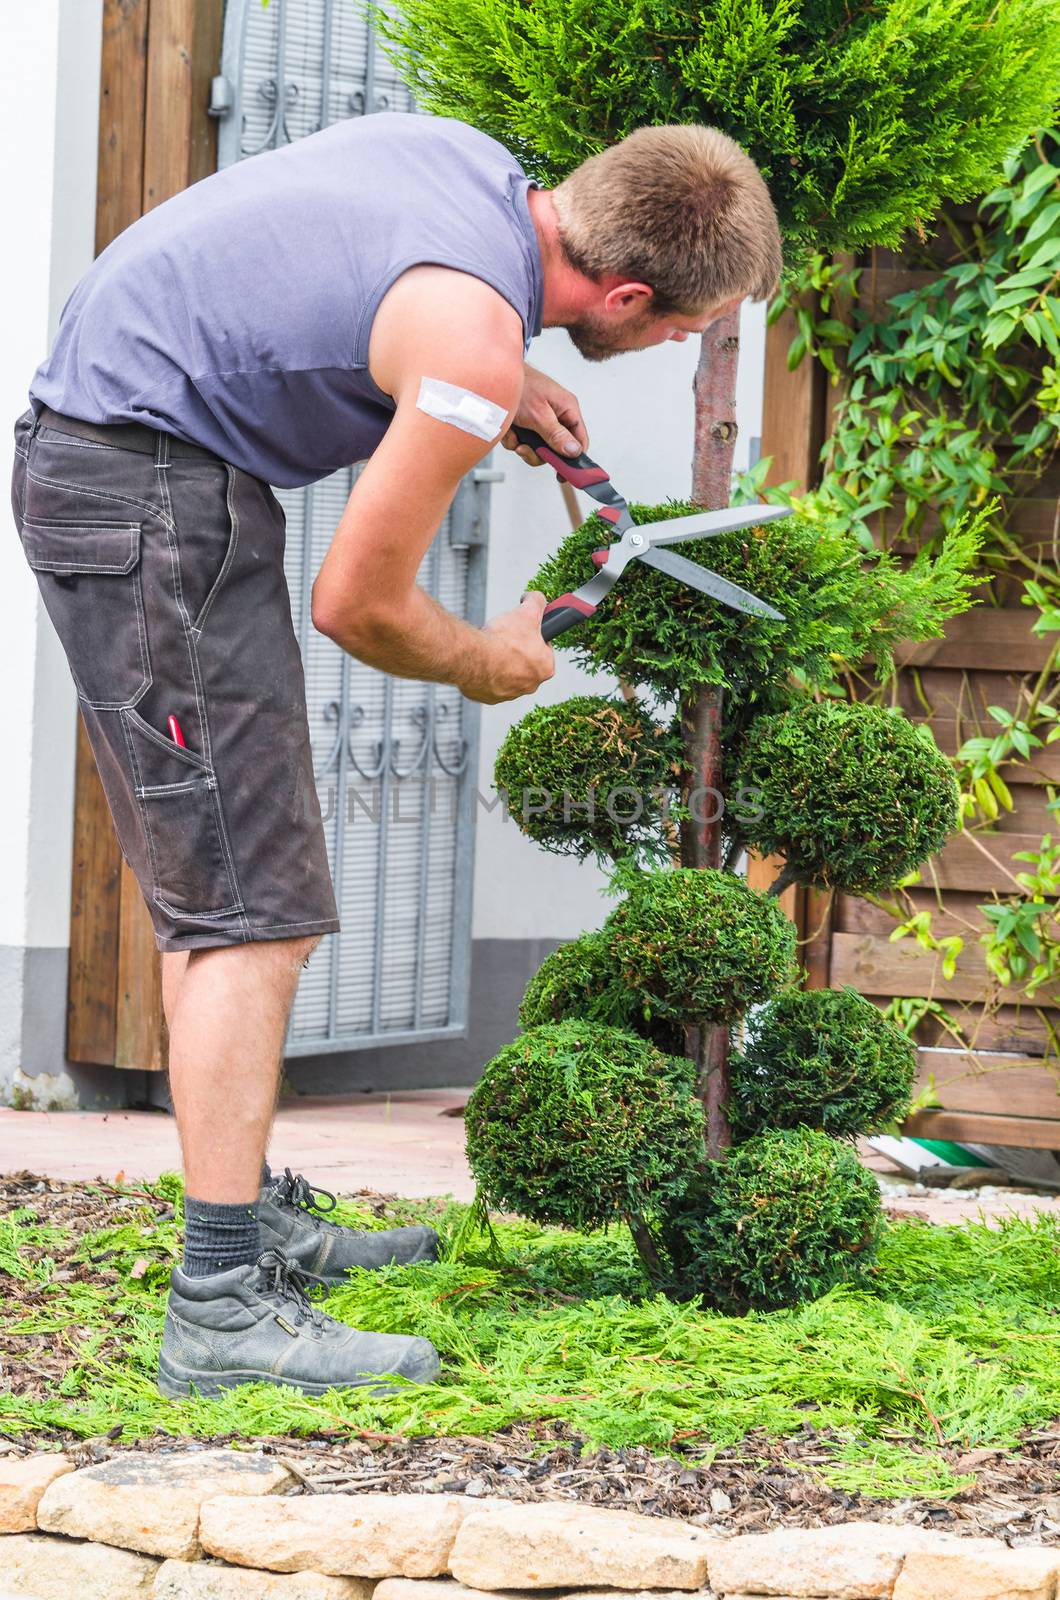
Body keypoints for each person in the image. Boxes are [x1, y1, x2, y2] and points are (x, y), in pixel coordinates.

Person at [11, 113, 781, 1398]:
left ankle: (247, 1215)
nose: (660, 350)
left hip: (139, 459)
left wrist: (498, 377)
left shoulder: (471, 177)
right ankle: (218, 1304)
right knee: (247, 912)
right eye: (670, 332)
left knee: (254, 895)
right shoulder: (472, 338)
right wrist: (490, 659)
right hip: (139, 491)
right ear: (630, 293)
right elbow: (358, 602)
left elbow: (346, 278)